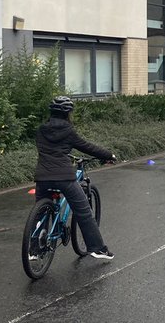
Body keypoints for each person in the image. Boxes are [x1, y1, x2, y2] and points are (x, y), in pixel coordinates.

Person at [34, 95, 119, 260]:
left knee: (40, 214)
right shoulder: (68, 131)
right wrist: (109, 155)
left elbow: (50, 150)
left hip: (42, 177)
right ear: (68, 113)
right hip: (64, 177)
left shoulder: (41, 130)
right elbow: (87, 147)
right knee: (84, 211)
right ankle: (97, 248)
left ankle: (34, 250)